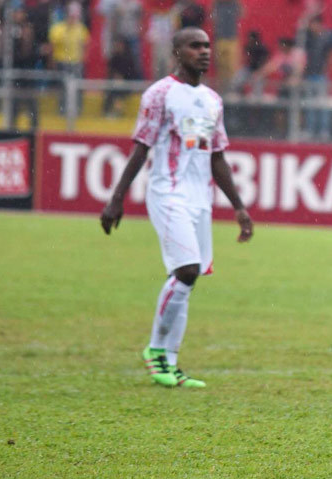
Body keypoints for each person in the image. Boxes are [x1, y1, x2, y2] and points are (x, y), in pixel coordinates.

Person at [100, 27, 254, 388]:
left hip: (200, 198)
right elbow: (141, 147)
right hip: (167, 192)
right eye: (194, 45)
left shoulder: (213, 100)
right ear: (177, 52)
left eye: (206, 45)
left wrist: (239, 208)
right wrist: (117, 197)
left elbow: (217, 157)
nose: (203, 51)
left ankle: (168, 364)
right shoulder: (160, 94)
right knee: (186, 270)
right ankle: (156, 350)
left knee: (190, 277)